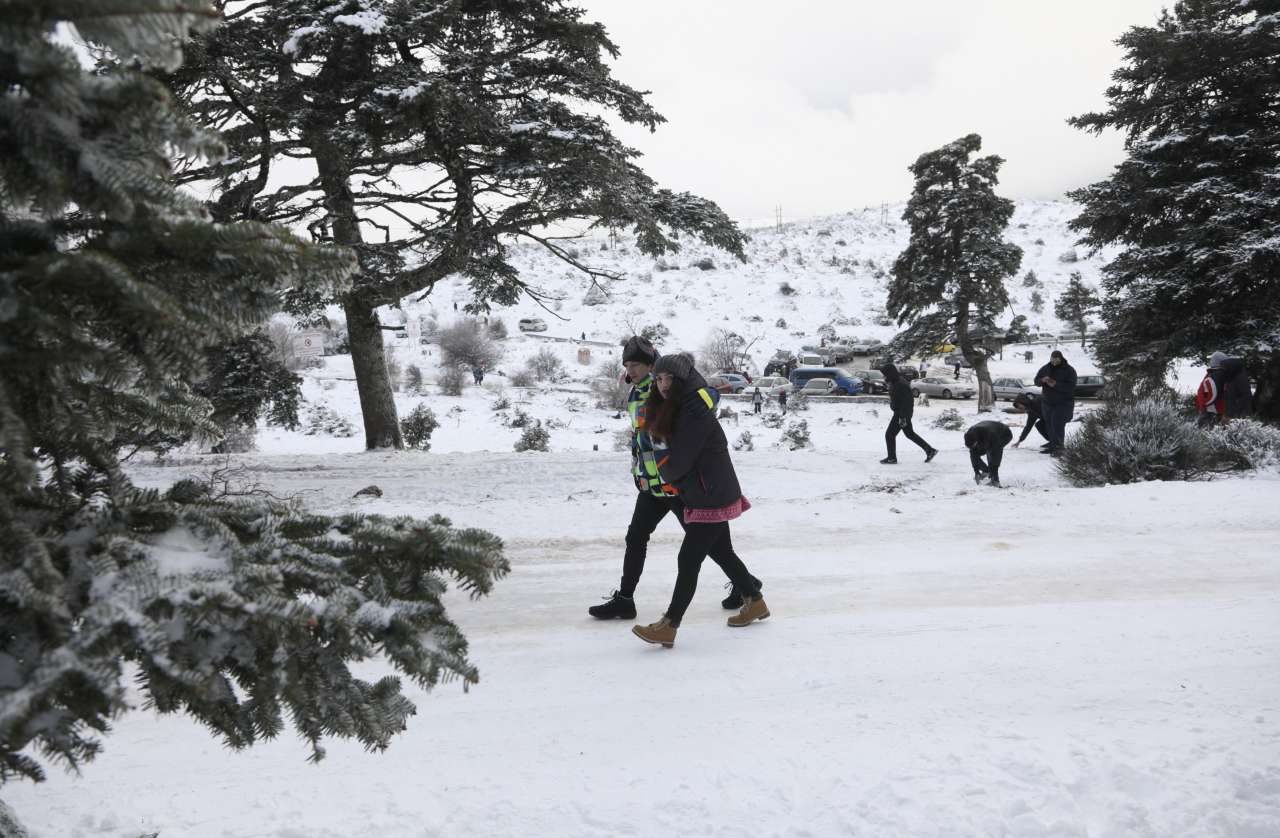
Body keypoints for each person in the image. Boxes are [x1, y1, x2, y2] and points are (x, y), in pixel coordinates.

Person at [588, 338, 755, 621]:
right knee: (636, 538)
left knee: (716, 547)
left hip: (678, 486)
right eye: (627, 365)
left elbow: (703, 398)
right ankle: (625, 599)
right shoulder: (637, 390)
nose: (631, 370)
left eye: (636, 364)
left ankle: (748, 587)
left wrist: (706, 394)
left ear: (651, 364)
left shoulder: (666, 385)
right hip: (652, 485)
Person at [632, 353, 769, 648]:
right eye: (659, 378)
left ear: (682, 379)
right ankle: (754, 600)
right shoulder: (675, 406)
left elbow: (679, 459)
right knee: (722, 552)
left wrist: (664, 470)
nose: (663, 384)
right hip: (701, 491)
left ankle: (670, 624)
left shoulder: (693, 409)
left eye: (669, 378)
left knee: (688, 559)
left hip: (710, 495)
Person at [878, 363, 938, 465]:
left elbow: (907, 402)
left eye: (885, 374)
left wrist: (902, 417)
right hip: (901, 413)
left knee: (889, 435)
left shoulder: (901, 384)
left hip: (901, 414)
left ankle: (892, 458)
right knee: (910, 434)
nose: (884, 376)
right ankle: (930, 450)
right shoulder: (895, 381)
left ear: (890, 373)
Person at [1034, 350, 1076, 455]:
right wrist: (1042, 380)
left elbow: (1071, 388)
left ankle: (1059, 448)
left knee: (1057, 424)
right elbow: (1036, 381)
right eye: (1052, 359)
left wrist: (1055, 384)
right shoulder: (1045, 368)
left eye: (1056, 359)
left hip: (1063, 403)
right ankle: (1052, 446)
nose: (1054, 362)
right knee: (1049, 424)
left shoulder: (1069, 370)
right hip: (1047, 402)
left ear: (1061, 359)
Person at [964, 421, 1013, 487]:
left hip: (1004, 434)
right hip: (987, 433)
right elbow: (973, 454)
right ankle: (986, 471)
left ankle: (995, 480)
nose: (972, 448)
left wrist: (995, 476)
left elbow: (997, 455)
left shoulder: (991, 435)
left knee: (992, 453)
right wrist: (976, 472)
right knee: (975, 453)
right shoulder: (969, 435)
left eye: (973, 445)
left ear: (976, 441)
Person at [1196, 353, 1227, 429]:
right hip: (1222, 410)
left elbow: (1209, 392)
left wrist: (1204, 403)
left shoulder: (1215, 375)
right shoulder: (1225, 375)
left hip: (1210, 410)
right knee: (1221, 435)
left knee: (1205, 434)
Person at [1219, 353, 1254, 420]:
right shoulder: (1236, 375)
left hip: (1237, 415)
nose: (1222, 370)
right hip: (1239, 413)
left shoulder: (1232, 377)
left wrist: (1230, 414)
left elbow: (1242, 397)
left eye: (1223, 368)